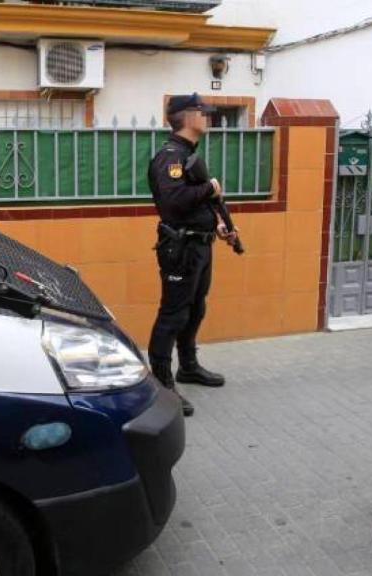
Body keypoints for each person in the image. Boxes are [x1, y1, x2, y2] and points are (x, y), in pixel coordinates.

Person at [147, 93, 239, 417]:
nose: (208, 117)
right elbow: (173, 202)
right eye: (203, 112)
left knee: (196, 309)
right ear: (187, 116)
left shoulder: (188, 154)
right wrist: (209, 189)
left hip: (199, 245)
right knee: (173, 314)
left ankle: (188, 366)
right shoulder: (170, 156)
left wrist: (217, 224)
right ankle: (161, 383)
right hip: (180, 249)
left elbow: (195, 203)